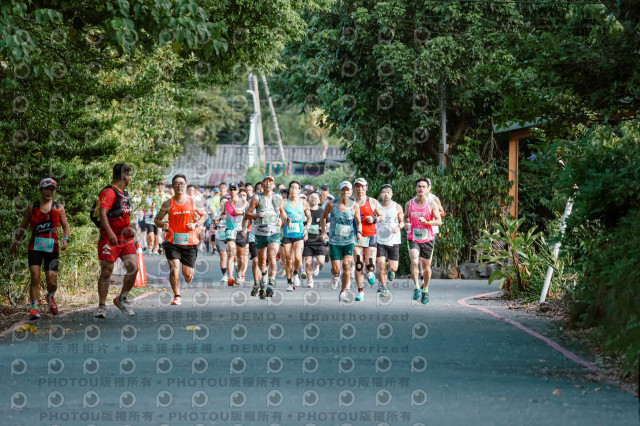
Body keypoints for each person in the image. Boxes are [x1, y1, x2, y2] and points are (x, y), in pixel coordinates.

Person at [10, 178, 70, 320]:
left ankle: (50, 297)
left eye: (52, 189)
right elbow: (23, 226)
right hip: (35, 246)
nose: (49, 192)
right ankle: (34, 308)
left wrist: (65, 239)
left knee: (52, 282)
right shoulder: (32, 207)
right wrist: (14, 244)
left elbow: (65, 226)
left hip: (52, 247)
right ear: (40, 190)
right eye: (46, 189)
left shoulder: (58, 207)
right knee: (35, 277)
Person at [154, 174, 208, 306]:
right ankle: (177, 296)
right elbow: (157, 219)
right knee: (174, 268)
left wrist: (195, 224)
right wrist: (162, 224)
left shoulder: (193, 201)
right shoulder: (168, 203)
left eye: (181, 183)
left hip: (190, 242)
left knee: (187, 274)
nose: (179, 185)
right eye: (176, 183)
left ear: (186, 185)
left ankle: (189, 275)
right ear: (173, 186)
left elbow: (204, 215)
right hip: (172, 242)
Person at [94, 163, 139, 318]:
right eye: (129, 175)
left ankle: (122, 299)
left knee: (133, 268)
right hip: (109, 238)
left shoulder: (124, 194)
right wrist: (110, 233)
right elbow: (102, 214)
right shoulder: (108, 192)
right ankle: (101, 306)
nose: (130, 178)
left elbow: (123, 214)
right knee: (107, 271)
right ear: (125, 176)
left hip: (126, 239)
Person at [244, 175, 286, 299]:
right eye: (266, 182)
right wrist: (258, 215)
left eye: (270, 182)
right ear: (262, 184)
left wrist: (287, 219)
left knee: (272, 256)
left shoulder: (278, 198)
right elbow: (247, 215)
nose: (268, 184)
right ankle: (262, 282)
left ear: (273, 185)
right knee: (262, 261)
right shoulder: (256, 198)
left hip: (274, 232)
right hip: (260, 233)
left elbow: (281, 211)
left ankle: (271, 283)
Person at [320, 181, 362, 302]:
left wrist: (359, 232)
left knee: (347, 265)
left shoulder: (354, 205)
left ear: (351, 192)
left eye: (348, 190)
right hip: (334, 241)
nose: (345, 192)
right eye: (343, 190)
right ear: (339, 191)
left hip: (348, 240)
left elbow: (358, 221)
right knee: (336, 269)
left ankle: (343, 292)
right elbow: (323, 217)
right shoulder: (331, 204)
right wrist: (324, 232)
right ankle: (336, 275)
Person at [404, 177, 442, 304]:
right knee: (414, 260)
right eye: (419, 186)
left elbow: (439, 221)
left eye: (424, 187)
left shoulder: (432, 204)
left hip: (427, 238)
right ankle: (416, 287)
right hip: (413, 237)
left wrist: (427, 222)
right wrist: (406, 224)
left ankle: (425, 289)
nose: (421, 188)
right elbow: (405, 217)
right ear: (416, 188)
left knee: (426, 266)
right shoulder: (409, 204)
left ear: (427, 189)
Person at [352, 177, 385, 301]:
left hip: (370, 236)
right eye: (357, 187)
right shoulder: (350, 203)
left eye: (362, 187)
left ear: (366, 188)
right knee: (358, 265)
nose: (360, 189)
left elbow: (382, 216)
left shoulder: (372, 201)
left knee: (370, 265)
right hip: (355, 237)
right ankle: (360, 291)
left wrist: (374, 219)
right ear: (354, 189)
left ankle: (370, 271)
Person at [281, 181, 311, 292]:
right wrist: (286, 219)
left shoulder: (304, 203)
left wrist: (307, 227)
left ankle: (295, 272)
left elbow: (309, 217)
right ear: (289, 189)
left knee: (298, 258)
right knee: (289, 259)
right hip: (287, 234)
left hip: (299, 234)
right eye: (292, 187)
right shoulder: (284, 202)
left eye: (296, 188)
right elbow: (281, 212)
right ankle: (289, 282)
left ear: (299, 190)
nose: (293, 190)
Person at [375, 184, 404, 297]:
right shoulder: (376, 207)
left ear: (392, 194)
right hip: (379, 239)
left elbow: (402, 222)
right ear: (380, 194)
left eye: (388, 192)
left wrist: (398, 227)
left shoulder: (397, 206)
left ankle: (391, 271)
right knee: (380, 263)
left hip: (394, 240)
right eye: (384, 192)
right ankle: (384, 287)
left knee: (393, 267)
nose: (386, 194)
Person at [221, 183, 247, 286]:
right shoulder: (226, 203)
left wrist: (240, 211)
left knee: (241, 256)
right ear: (228, 191)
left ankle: (239, 273)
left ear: (238, 190)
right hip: (230, 229)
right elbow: (223, 214)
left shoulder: (243, 201)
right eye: (231, 189)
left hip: (240, 229)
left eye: (234, 189)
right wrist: (220, 218)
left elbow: (245, 212)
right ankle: (230, 276)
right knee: (231, 252)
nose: (232, 191)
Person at [303, 191, 327, 288]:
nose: (313, 199)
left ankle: (317, 265)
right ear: (308, 199)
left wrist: (324, 228)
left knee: (321, 261)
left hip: (319, 240)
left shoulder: (322, 211)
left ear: (319, 200)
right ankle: (310, 280)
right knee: (308, 261)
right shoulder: (305, 211)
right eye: (311, 197)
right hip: (307, 240)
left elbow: (328, 222)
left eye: (315, 198)